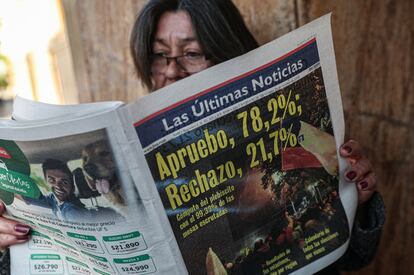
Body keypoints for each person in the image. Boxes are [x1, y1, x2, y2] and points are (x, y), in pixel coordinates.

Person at [0, 0, 385, 274]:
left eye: (193, 53)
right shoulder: (133, 150)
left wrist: (358, 199)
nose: (171, 71)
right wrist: (10, 245)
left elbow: (351, 256)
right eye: (158, 55)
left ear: (228, 53)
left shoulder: (285, 130)